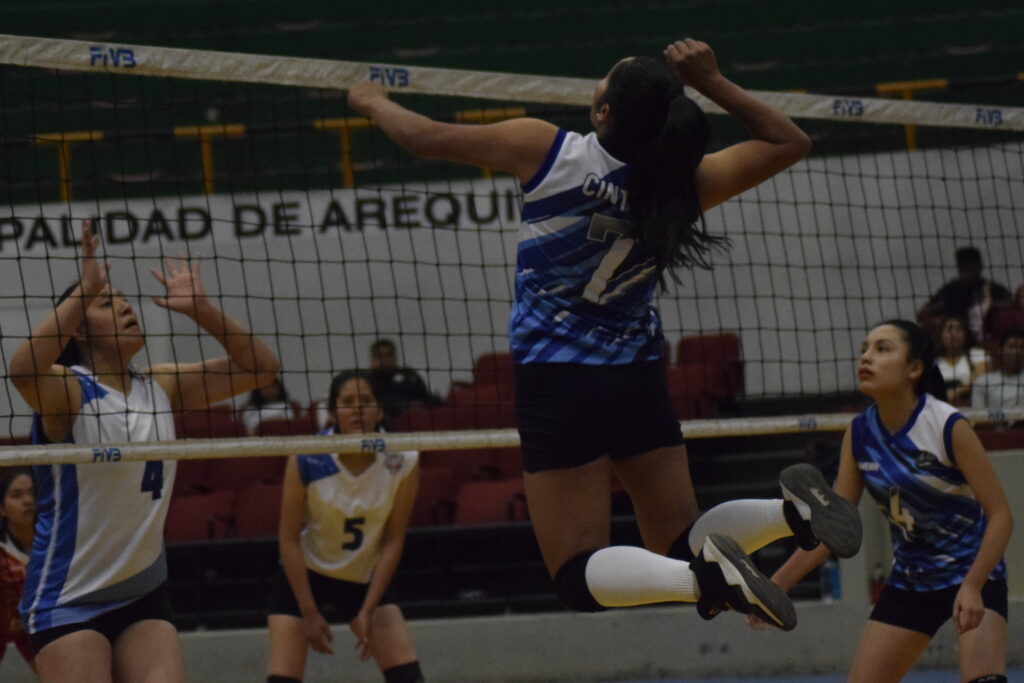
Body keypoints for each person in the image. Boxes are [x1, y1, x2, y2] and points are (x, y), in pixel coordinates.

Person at [349, 39, 861, 630]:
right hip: (638, 374)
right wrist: (712, 80)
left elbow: (425, 137)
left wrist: (371, 101)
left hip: (559, 378)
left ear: (603, 114)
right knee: (679, 537)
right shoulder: (685, 184)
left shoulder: (548, 151)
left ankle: (711, 575)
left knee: (576, 573)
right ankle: (790, 513)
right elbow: (790, 142)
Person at [8, 220, 281, 683]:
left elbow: (261, 370)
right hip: (68, 596)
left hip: (142, 592)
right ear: (78, 328)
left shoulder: (162, 384)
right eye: (105, 302)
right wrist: (82, 290)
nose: (124, 306)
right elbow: (22, 371)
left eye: (121, 299)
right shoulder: (70, 391)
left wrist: (201, 310)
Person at [748, 320, 1013, 683]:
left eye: (882, 349)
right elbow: (834, 528)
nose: (866, 358)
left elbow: (1001, 516)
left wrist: (972, 585)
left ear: (914, 369)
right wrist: (775, 586)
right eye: (864, 350)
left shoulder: (948, 425)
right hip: (911, 580)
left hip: (973, 574)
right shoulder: (859, 433)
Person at [266, 370, 424, 683]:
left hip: (363, 576)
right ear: (334, 410)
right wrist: (308, 612)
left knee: (408, 676)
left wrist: (369, 609)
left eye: (366, 401)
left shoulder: (403, 458)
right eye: (348, 402)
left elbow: (393, 540)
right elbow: (287, 540)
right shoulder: (307, 456)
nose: (357, 409)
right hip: (305, 575)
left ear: (379, 409)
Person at [919, 246, 1011, 342]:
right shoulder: (950, 290)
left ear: (979, 266)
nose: (968, 271)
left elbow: (1008, 306)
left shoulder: (993, 290)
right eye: (964, 267)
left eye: (971, 266)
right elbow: (923, 313)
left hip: (985, 338)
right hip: (955, 339)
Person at [0, 468, 35, 671]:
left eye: (32, 493)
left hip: (37, 628)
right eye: (16, 495)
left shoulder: (57, 544)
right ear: (2, 509)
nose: (28, 501)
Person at [368, 339, 439, 421]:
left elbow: (426, 398)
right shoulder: (368, 381)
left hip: (413, 421)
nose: (384, 360)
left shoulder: (410, 376)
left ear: (394, 356)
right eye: (379, 356)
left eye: (388, 355)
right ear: (372, 359)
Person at [935, 314, 990, 406]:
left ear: (966, 334)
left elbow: (980, 381)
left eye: (959, 329)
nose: (954, 334)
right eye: (949, 329)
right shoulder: (934, 361)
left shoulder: (978, 354)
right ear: (941, 334)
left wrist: (956, 392)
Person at [971, 330, 1024, 409]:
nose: (1017, 352)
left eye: (1022, 347)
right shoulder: (982, 382)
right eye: (1011, 346)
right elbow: (976, 417)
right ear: (1000, 350)